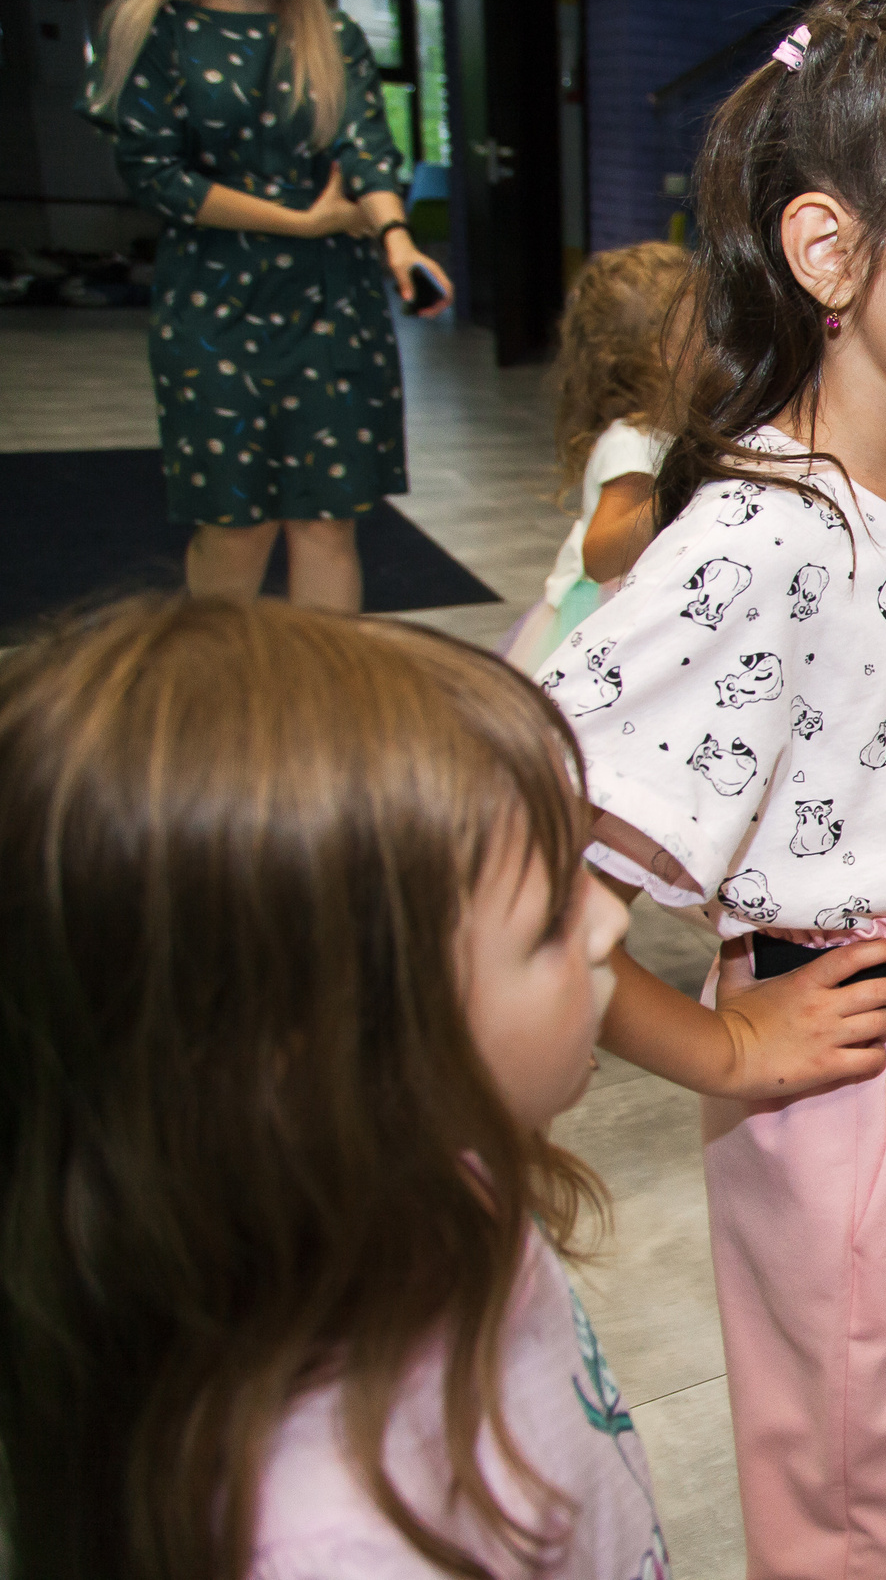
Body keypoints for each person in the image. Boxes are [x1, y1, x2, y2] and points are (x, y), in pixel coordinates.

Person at [533, 0, 886, 1577]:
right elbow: (532, 887)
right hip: (865, 1080)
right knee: (866, 1505)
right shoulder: (771, 531)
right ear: (829, 251)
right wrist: (712, 1045)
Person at [0, 596, 664, 1576]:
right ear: (342, 1062)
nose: (611, 927)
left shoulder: (429, 1170)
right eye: (549, 926)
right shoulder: (329, 1546)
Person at [82, 0, 451, 615]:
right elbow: (155, 175)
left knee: (327, 522)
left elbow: (368, 151)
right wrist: (300, 223)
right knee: (235, 525)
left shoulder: (330, 34)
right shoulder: (151, 28)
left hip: (332, 301)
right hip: (214, 303)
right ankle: (223, 710)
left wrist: (398, 240)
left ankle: (315, 711)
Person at [505, 241, 689, 672]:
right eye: (702, 332)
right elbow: (602, 553)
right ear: (654, 354)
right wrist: (681, 493)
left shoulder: (669, 429)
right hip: (606, 613)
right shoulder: (633, 443)